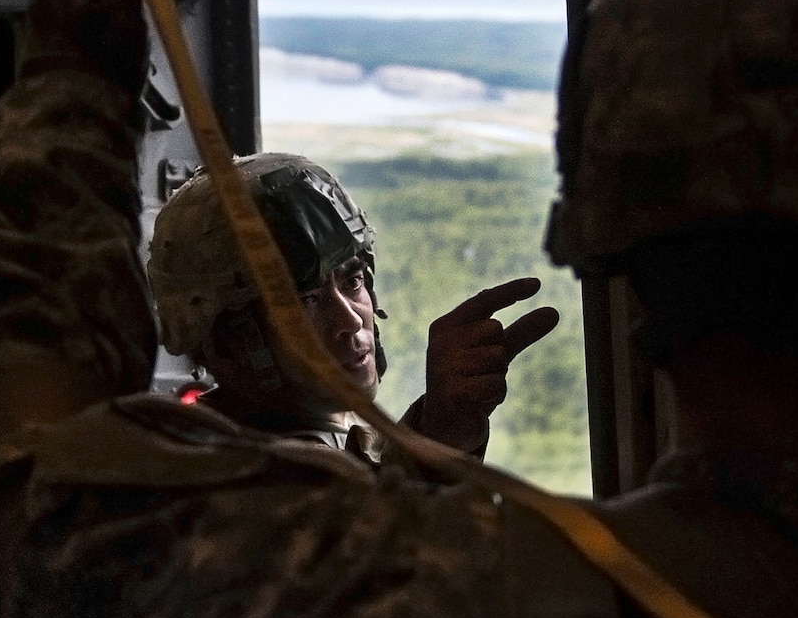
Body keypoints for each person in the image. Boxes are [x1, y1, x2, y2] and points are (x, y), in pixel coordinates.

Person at [0, 0, 798, 618]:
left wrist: (67, 98)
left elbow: (17, 497)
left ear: (627, 274)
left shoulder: (410, 585)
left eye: (355, 273)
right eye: (302, 290)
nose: (350, 311)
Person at [146, 153, 558, 461]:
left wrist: (444, 426)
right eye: (304, 302)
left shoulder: (341, 436)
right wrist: (441, 435)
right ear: (226, 343)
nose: (350, 319)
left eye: (352, 281)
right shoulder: (210, 473)